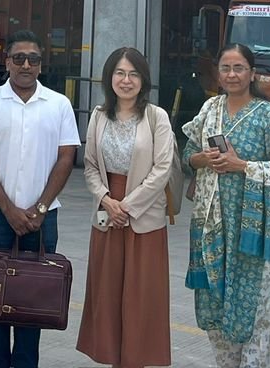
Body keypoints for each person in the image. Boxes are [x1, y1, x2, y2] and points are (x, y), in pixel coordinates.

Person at [0, 28, 81, 368]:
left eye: (33, 59)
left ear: (41, 64)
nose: (26, 65)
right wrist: (8, 208)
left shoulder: (59, 105)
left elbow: (66, 158)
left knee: (34, 303)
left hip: (43, 219)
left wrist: (40, 207)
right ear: (7, 62)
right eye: (19, 58)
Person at [182, 43, 270, 368]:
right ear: (218, 73)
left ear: (252, 73)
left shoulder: (268, 115)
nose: (232, 74)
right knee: (216, 314)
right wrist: (203, 159)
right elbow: (187, 156)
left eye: (239, 68)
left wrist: (241, 165)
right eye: (226, 68)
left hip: (254, 235)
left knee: (255, 316)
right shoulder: (209, 110)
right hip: (212, 229)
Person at [77, 46, 175, 368]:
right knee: (107, 296)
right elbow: (90, 166)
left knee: (140, 298)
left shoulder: (156, 117)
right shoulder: (98, 115)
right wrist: (107, 200)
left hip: (143, 216)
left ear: (143, 80)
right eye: (120, 73)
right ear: (110, 77)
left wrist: (127, 207)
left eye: (133, 74)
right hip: (107, 214)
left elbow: (162, 169)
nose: (126, 80)